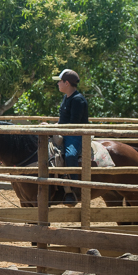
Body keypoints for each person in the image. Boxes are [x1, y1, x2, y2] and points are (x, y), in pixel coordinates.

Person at [54, 68, 88, 204]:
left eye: (59, 82)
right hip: (66, 132)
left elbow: (74, 124)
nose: (58, 84)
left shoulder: (78, 100)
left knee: (70, 155)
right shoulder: (66, 98)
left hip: (76, 135)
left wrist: (56, 128)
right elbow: (63, 120)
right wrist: (55, 125)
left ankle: (75, 188)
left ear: (66, 83)